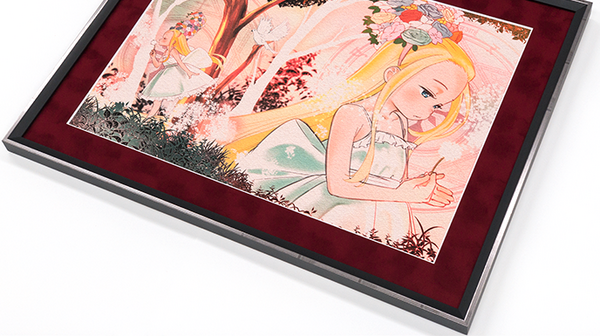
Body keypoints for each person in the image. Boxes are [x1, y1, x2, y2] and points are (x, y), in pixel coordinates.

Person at [229, 37, 476, 241]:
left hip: (387, 209)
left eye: (437, 105)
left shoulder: (400, 122)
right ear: (393, 74)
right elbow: (337, 185)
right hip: (343, 204)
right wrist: (406, 195)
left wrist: (420, 187)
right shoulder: (353, 114)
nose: (427, 111)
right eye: (426, 93)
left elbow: (391, 179)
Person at [141, 12, 215, 117]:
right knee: (157, 100)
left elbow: (180, 62)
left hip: (172, 75)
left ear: (174, 41)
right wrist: (153, 57)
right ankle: (149, 118)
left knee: (165, 99)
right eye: (163, 37)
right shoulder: (166, 52)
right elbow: (157, 65)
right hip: (164, 76)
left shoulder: (173, 51)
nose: (161, 39)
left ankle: (157, 118)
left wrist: (188, 72)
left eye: (165, 38)